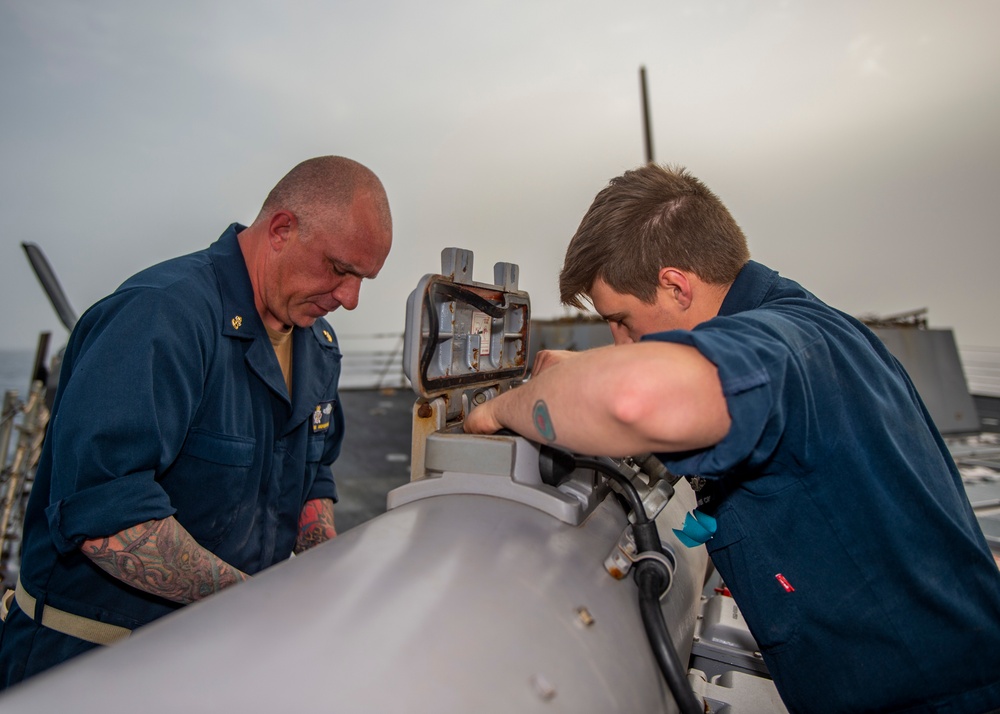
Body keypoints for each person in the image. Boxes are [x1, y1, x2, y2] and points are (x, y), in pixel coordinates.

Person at [465, 164, 1000, 713]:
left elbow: (633, 401)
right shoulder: (811, 328)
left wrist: (505, 408)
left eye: (622, 320)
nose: (620, 344)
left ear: (675, 285)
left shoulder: (784, 346)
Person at [0, 156, 392, 687]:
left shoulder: (317, 346)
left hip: (226, 660)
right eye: (340, 269)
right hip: (91, 669)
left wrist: (324, 585)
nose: (349, 298)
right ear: (281, 230)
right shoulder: (160, 316)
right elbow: (107, 521)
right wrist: (265, 602)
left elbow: (311, 479)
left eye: (363, 279)